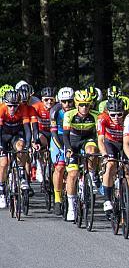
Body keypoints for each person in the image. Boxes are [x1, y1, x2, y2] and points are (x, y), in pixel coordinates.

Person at [63, 89, 100, 221]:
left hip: (87, 140)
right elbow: (65, 136)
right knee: (72, 174)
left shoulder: (96, 115)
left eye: (87, 105)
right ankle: (72, 207)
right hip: (72, 142)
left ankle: (91, 174)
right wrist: (68, 149)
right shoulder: (69, 115)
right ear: (76, 104)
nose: (84, 108)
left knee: (92, 151)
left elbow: (99, 136)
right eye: (81, 105)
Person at [0, 90, 36, 208]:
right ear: (5, 103)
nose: (12, 108)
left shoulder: (23, 109)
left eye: (15, 105)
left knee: (21, 147)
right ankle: (1, 190)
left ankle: (21, 175)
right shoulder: (1, 109)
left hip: (17, 134)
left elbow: (27, 129)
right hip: (3, 135)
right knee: (4, 163)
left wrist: (28, 145)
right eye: (9, 105)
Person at [97, 97, 127, 215]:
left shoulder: (128, 119)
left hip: (125, 143)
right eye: (113, 115)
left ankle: (128, 201)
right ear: (107, 113)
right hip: (110, 143)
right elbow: (100, 139)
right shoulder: (102, 118)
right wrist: (105, 155)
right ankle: (107, 200)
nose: (116, 118)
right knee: (110, 165)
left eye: (119, 114)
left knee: (128, 171)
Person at [50, 87, 75, 215]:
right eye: (64, 102)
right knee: (59, 168)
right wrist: (61, 148)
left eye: (70, 101)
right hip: (58, 136)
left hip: (72, 136)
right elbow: (53, 133)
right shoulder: (55, 111)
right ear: (60, 101)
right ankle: (57, 199)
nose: (67, 104)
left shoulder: (78, 110)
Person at [32, 86, 58, 181]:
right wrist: (33, 139)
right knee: (42, 143)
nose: (49, 102)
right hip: (41, 131)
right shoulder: (36, 107)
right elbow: (33, 125)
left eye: (51, 100)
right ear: (42, 100)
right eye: (46, 100)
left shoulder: (57, 107)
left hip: (53, 131)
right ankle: (40, 165)